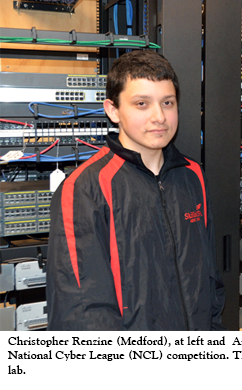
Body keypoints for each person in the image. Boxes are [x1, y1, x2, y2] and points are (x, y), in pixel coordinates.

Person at [46, 49, 225, 330]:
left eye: (168, 102)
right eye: (142, 103)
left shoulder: (193, 176)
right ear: (113, 110)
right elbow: (80, 311)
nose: (160, 117)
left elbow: (210, 278)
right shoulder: (85, 188)